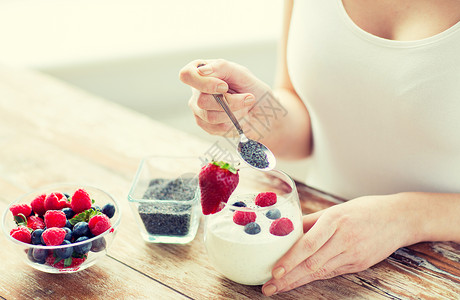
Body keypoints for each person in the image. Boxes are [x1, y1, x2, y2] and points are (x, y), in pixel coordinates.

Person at [179, 0, 460, 296]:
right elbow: (308, 126)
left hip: (440, 268)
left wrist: (406, 217)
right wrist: (258, 114)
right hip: (316, 238)